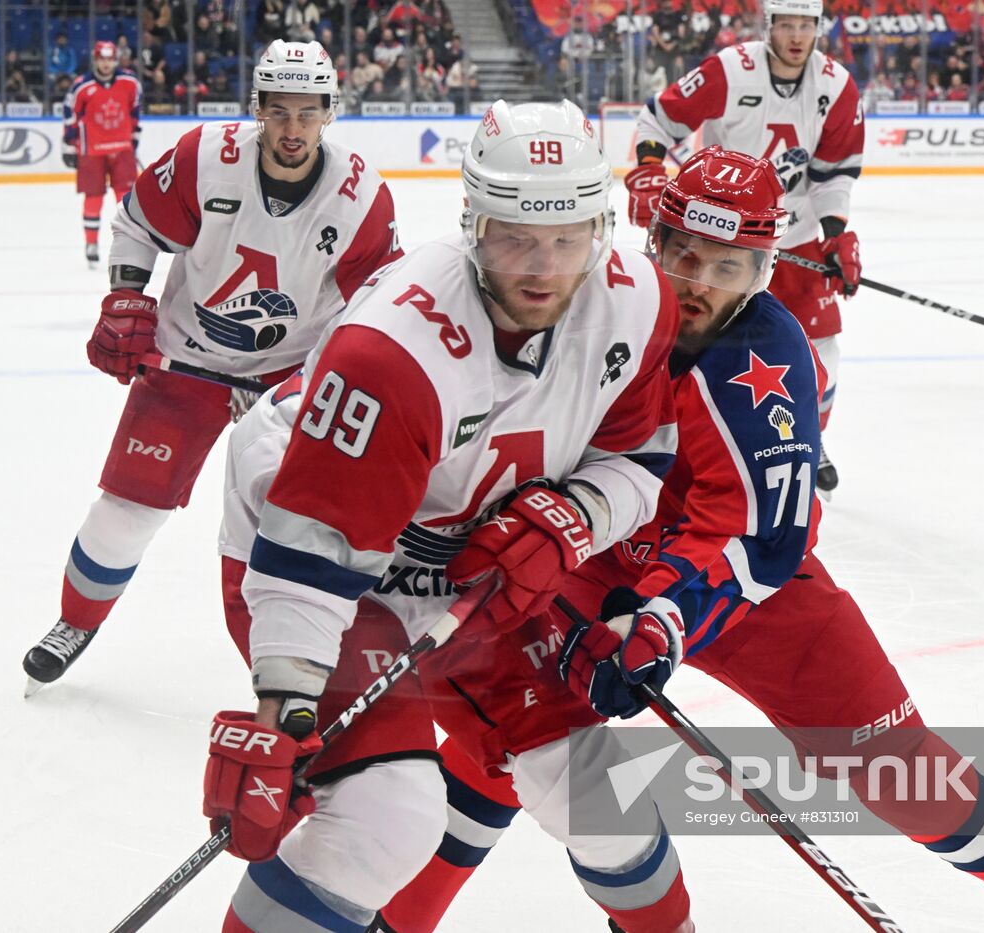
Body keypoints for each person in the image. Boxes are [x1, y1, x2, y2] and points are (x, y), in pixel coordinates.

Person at [378, 148, 984, 933]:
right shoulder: (592, 307)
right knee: (516, 739)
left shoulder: (766, 355)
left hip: (743, 589)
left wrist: (661, 616)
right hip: (586, 560)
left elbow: (761, 537)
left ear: (761, 268)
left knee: (895, 764)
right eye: (685, 253)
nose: (700, 283)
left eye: (730, 264)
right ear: (654, 240)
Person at [202, 98, 680, 933]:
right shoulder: (394, 350)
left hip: (469, 563)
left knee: (601, 789)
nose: (542, 266)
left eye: (568, 238)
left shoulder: (636, 302)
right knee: (387, 814)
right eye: (514, 236)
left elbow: (639, 462)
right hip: (319, 556)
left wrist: (575, 515)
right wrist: (288, 715)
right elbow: (312, 559)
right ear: (472, 219)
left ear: (601, 225)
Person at [20, 40, 402, 693]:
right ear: (257, 107)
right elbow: (137, 224)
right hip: (187, 358)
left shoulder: (361, 193)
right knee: (126, 510)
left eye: (307, 113)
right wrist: (125, 296)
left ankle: (307, 672)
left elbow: (381, 297)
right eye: (279, 111)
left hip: (291, 378)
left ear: (329, 113)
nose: (292, 128)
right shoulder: (206, 157)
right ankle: (74, 620)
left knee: (294, 525)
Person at [625, 0, 862, 497]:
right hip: (713, 238)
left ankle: (807, 440)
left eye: (807, 25)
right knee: (682, 337)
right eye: (787, 24)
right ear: (769, 25)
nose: (797, 36)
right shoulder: (732, 69)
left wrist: (835, 232)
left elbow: (833, 172)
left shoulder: (836, 84)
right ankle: (655, 433)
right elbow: (658, 120)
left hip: (790, 236)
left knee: (822, 348)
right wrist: (648, 170)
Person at [62, 40, 142, 267]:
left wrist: (133, 139)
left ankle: (129, 245)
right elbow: (70, 115)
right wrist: (69, 145)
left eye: (109, 59)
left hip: (122, 150)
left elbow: (135, 112)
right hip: (91, 152)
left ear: (115, 59)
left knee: (126, 200)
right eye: (102, 59)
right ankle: (91, 243)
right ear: (95, 60)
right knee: (93, 198)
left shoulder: (130, 83)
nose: (106, 64)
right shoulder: (81, 86)